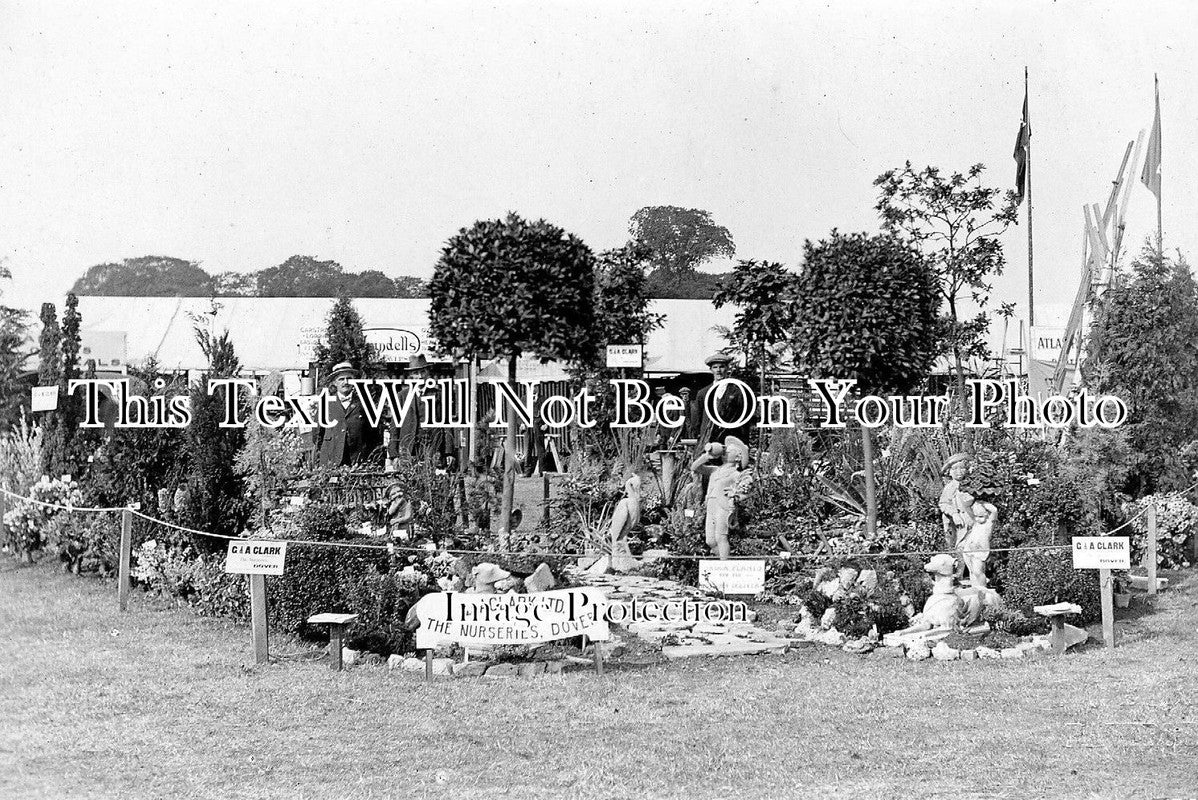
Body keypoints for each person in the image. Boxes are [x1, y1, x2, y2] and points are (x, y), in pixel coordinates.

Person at [690, 436, 753, 560]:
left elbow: (746, 489)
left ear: (737, 457)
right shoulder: (715, 470)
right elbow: (694, 467)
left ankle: (723, 564)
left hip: (722, 505)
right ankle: (724, 563)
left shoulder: (735, 474)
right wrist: (707, 456)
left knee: (720, 537)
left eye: (729, 451)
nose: (725, 452)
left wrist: (734, 496)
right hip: (711, 504)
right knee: (710, 540)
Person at [314, 361, 382, 469]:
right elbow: (317, 435)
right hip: (331, 461)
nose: (346, 382)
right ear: (334, 383)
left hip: (357, 461)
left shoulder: (365, 404)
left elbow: (374, 435)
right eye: (341, 379)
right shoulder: (326, 404)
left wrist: (367, 458)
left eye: (349, 379)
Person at [689, 353, 751, 448]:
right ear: (711, 370)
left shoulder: (737, 392)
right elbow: (696, 419)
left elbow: (744, 419)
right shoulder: (703, 393)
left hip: (730, 439)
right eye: (715, 367)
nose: (718, 370)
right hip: (708, 441)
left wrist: (744, 443)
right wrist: (700, 437)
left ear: (727, 368)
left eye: (722, 367)